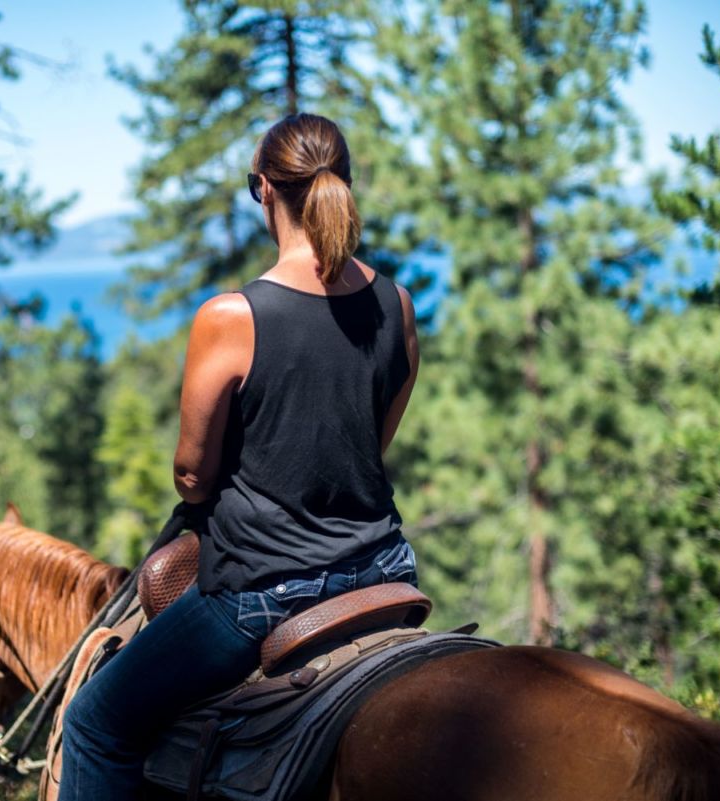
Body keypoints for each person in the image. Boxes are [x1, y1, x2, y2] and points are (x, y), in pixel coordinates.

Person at [58, 112, 421, 801]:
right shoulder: (396, 305)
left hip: (261, 593)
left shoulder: (234, 316)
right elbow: (369, 447)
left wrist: (203, 497)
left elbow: (193, 472)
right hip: (382, 568)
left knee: (95, 721)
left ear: (262, 190)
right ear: (341, 182)